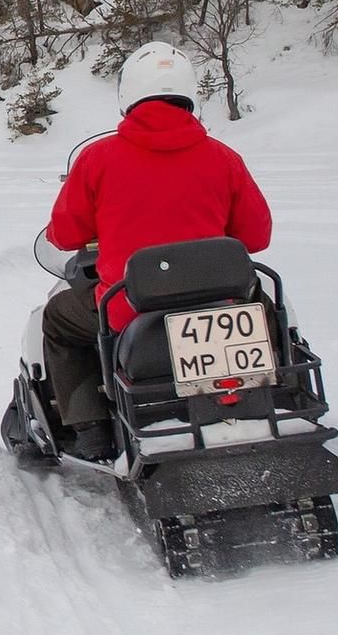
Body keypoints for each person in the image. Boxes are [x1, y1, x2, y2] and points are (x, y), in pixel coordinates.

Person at [40, 41, 273, 462]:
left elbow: (67, 231)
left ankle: (90, 427)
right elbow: (255, 236)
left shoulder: (98, 159)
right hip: (221, 304)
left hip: (131, 309)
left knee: (57, 318)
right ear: (189, 94)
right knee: (272, 305)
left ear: (129, 94)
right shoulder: (224, 157)